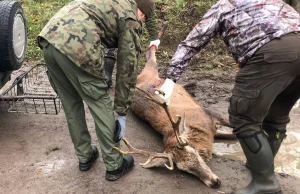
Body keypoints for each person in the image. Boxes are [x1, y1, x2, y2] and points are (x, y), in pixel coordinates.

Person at [161, 0, 300, 193]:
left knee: (242, 118)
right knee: (276, 117)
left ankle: (265, 183)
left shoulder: (223, 6)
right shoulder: (271, 1)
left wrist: (170, 80)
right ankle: (260, 166)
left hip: (270, 53)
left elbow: (191, 44)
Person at [37, 0, 154, 181]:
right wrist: (121, 112)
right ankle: (115, 164)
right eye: (144, 17)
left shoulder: (109, 3)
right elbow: (127, 68)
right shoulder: (131, 17)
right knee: (100, 102)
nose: (142, 21)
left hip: (48, 40)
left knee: (71, 103)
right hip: (76, 46)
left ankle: (85, 156)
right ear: (141, 12)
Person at [104, 0, 159, 88]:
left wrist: (154, 37)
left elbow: (147, 11)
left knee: (130, 46)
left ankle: (126, 79)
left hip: (132, 17)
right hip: (112, 13)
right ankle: (106, 75)